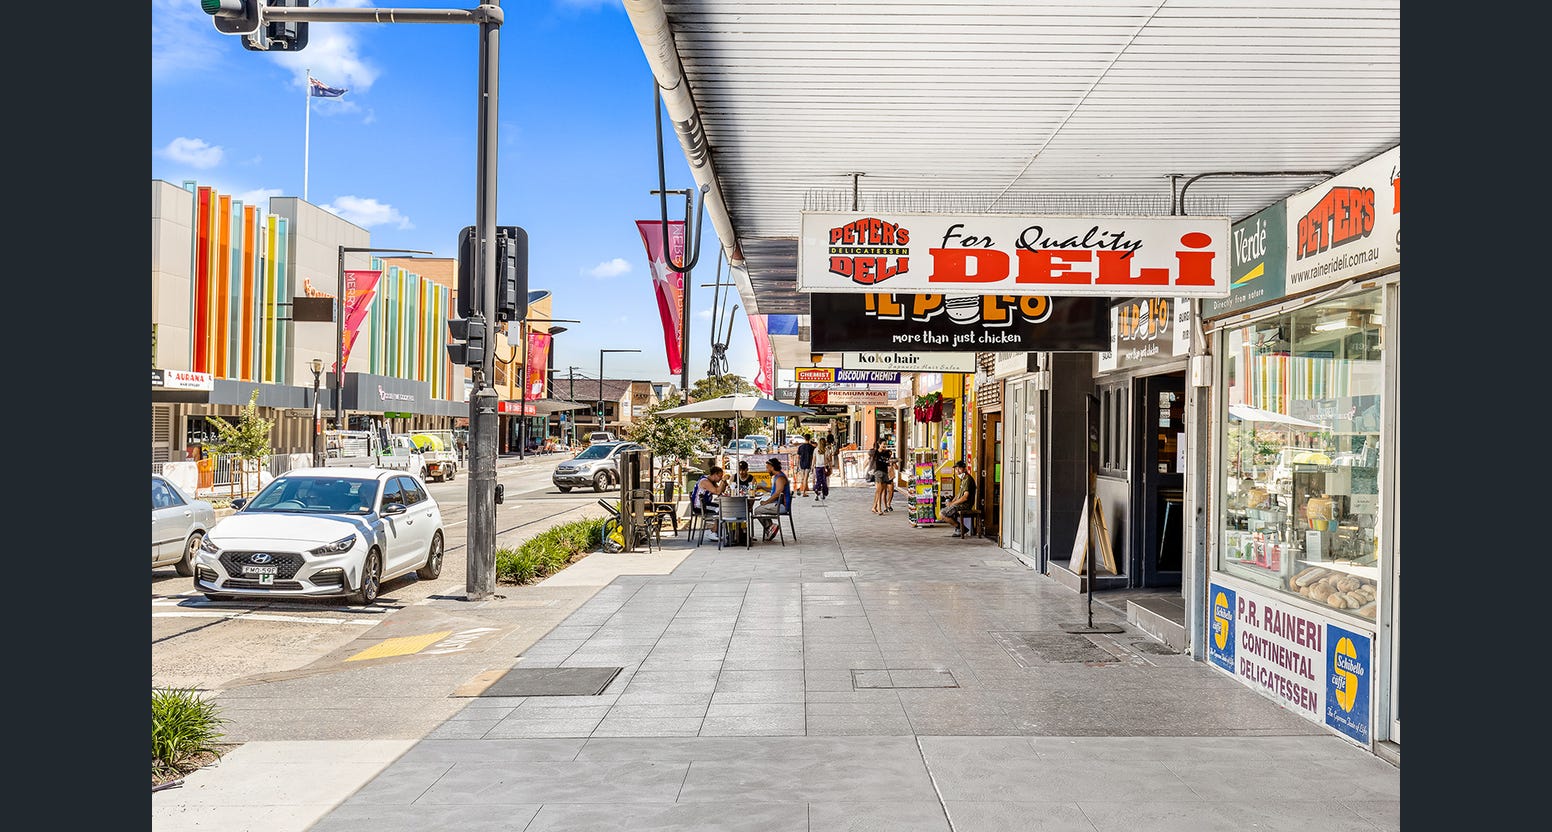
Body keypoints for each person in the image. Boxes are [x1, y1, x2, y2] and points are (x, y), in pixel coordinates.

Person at [753, 457, 790, 541]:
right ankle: (770, 527)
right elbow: (774, 490)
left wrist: (766, 502)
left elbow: (777, 494)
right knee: (759, 509)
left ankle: (770, 527)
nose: (767, 470)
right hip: (778, 504)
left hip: (782, 506)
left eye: (767, 468)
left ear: (772, 467)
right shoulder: (777, 476)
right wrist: (762, 487)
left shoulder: (780, 478)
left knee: (757, 511)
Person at [943, 459, 978, 538]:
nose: (957, 471)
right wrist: (951, 502)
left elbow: (965, 497)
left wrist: (952, 504)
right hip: (960, 504)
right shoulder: (963, 480)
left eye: (959, 468)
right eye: (956, 469)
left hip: (965, 505)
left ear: (964, 469)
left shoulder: (968, 480)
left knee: (942, 514)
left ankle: (961, 528)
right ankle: (959, 529)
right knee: (947, 509)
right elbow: (959, 494)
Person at [691, 466, 727, 542]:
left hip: (706, 504)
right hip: (699, 506)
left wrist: (724, 483)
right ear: (714, 474)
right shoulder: (705, 481)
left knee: (723, 507)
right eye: (720, 476)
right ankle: (713, 531)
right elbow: (717, 491)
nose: (720, 478)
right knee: (720, 509)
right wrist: (723, 481)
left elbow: (721, 491)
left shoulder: (712, 481)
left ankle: (718, 531)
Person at [869, 439, 893, 514]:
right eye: (883, 444)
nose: (885, 445)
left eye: (885, 444)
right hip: (878, 472)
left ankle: (874, 507)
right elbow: (870, 453)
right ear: (879, 444)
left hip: (885, 472)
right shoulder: (875, 452)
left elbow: (889, 459)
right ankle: (879, 508)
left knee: (881, 490)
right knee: (879, 490)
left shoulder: (886, 453)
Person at [813, 436, 837, 505]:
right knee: (824, 481)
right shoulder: (827, 450)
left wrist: (812, 467)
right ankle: (824, 493)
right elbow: (829, 460)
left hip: (817, 467)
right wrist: (831, 467)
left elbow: (814, 460)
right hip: (824, 467)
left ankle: (816, 492)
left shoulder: (816, 450)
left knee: (818, 480)